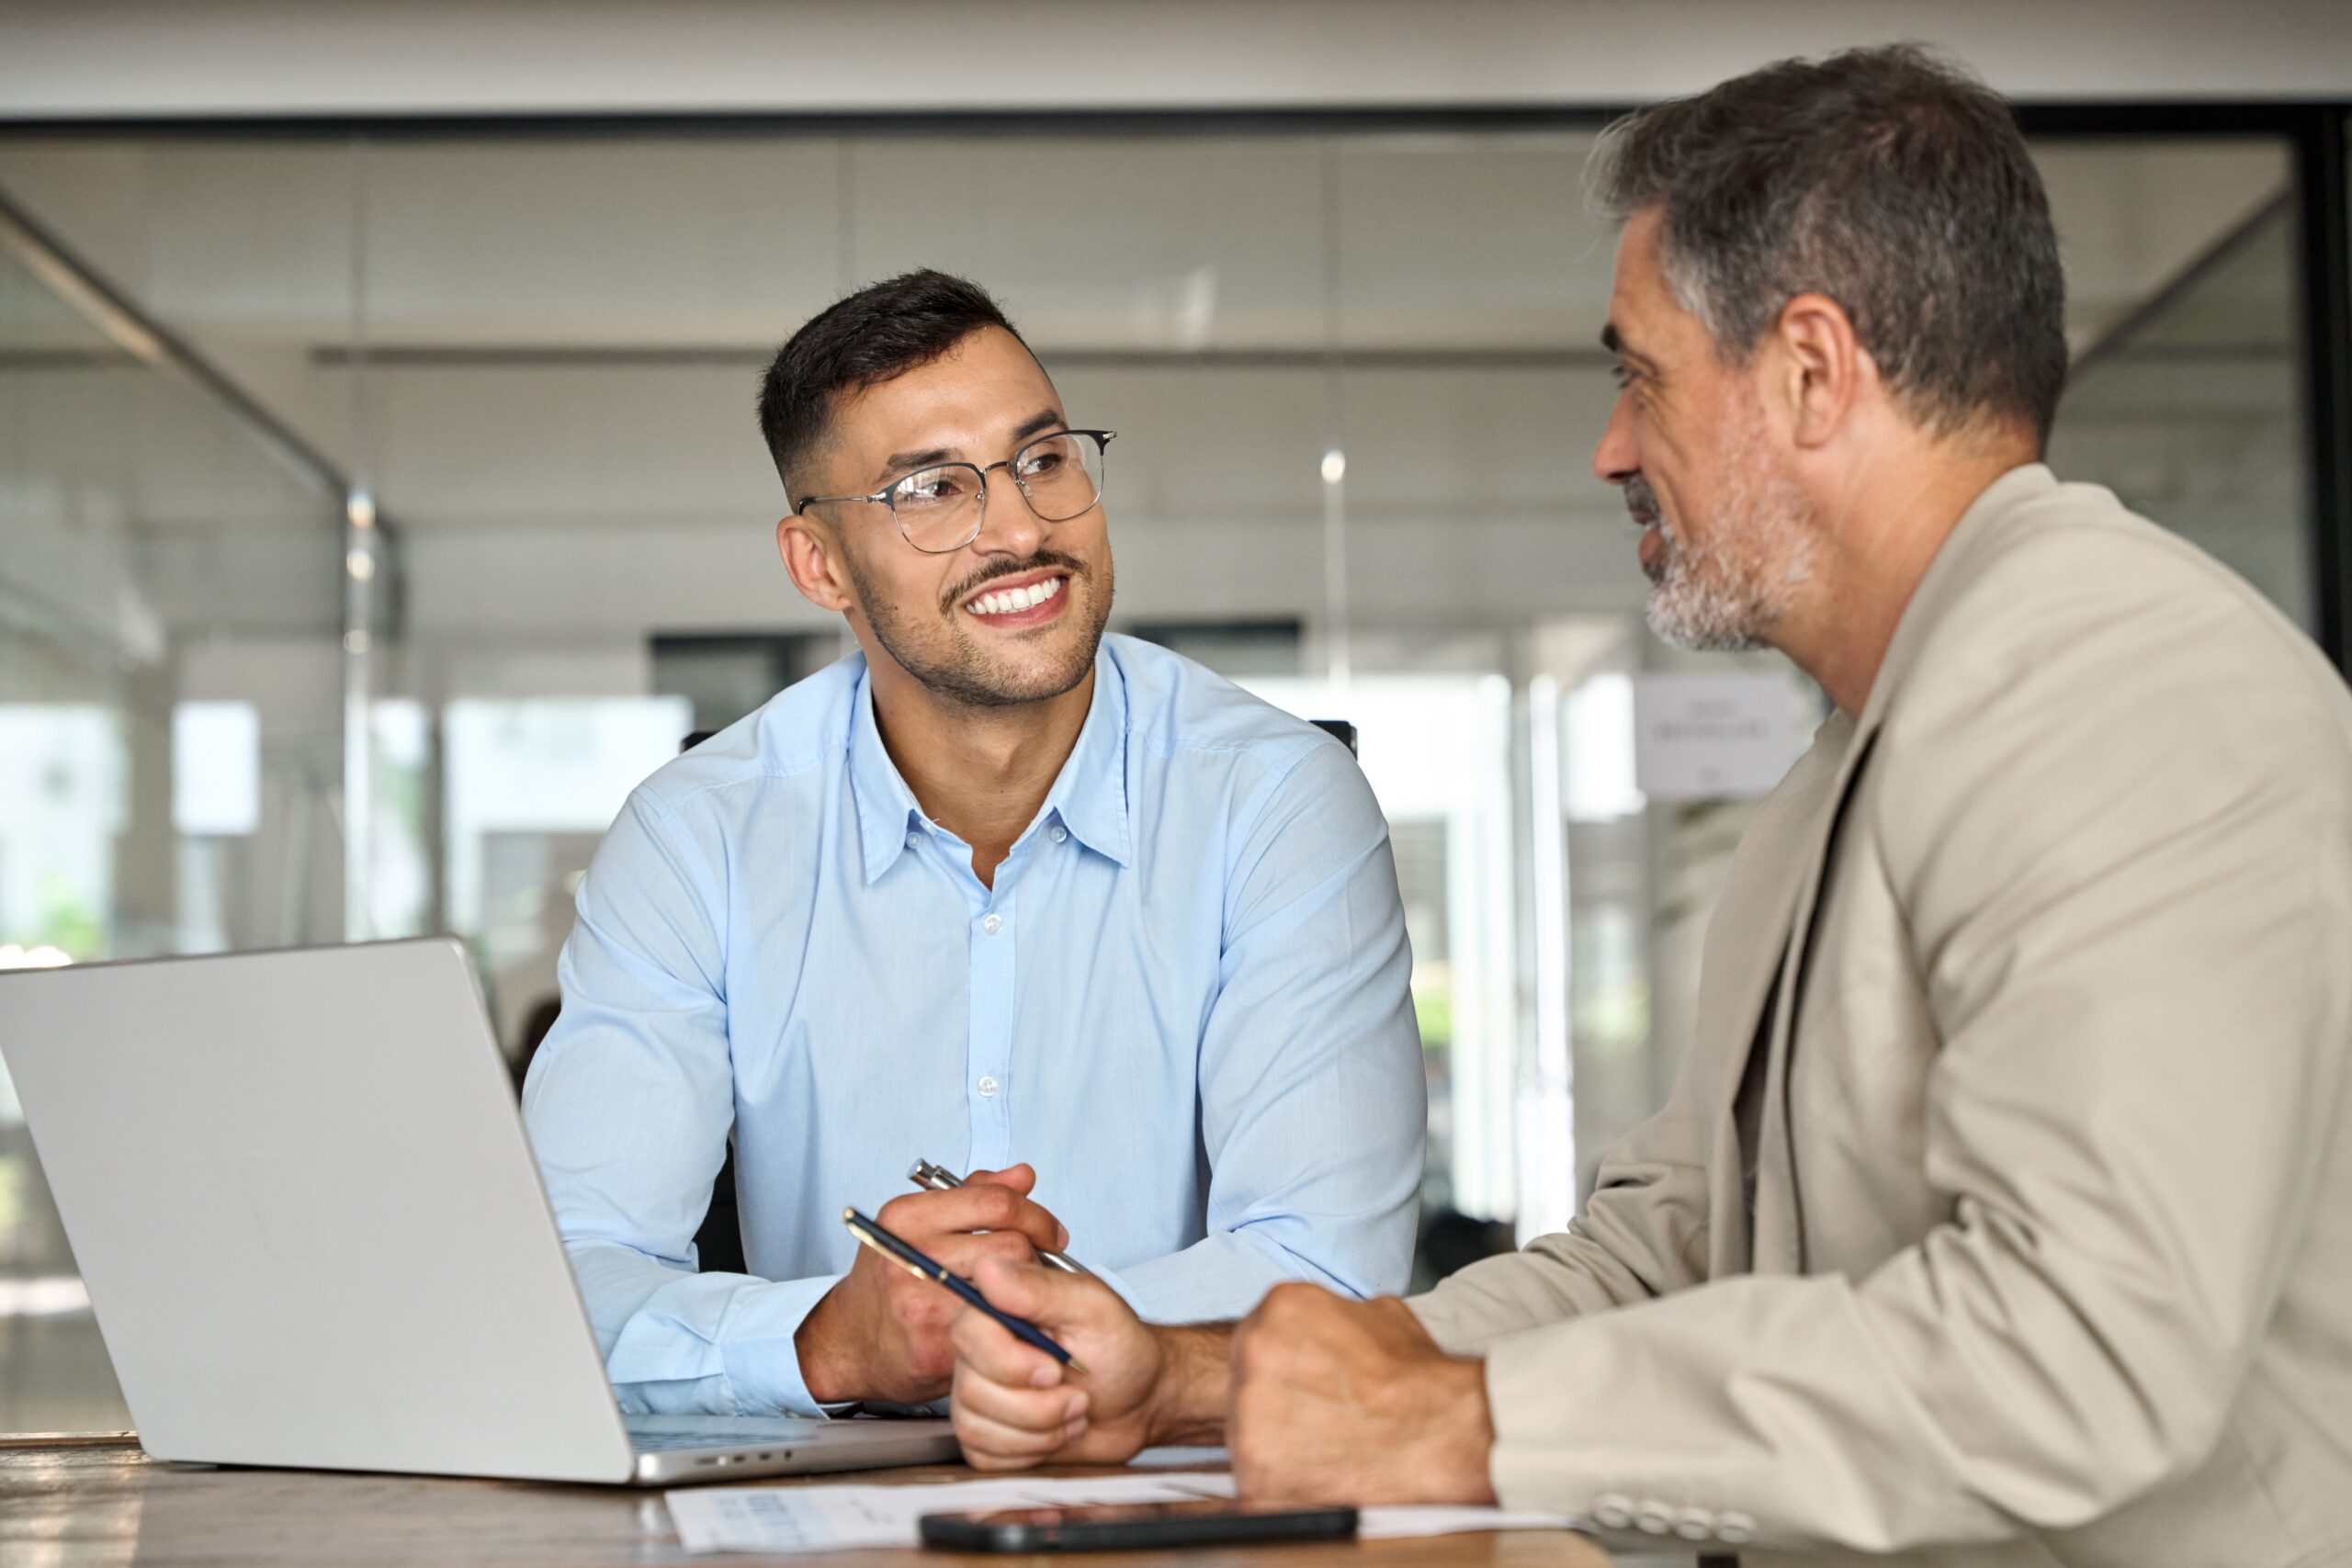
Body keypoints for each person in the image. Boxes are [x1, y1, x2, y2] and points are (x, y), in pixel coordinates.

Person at [944, 47, 2352, 1567]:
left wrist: (1463, 1425)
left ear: (1811, 370)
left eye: (1640, 374)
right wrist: (1196, 1378)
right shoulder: (1860, 760)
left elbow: (2080, 1346)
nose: (1610, 447)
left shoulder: (2120, 689)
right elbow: (1675, 1249)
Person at [522, 270, 1424, 1417]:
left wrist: (993, 1329)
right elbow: (568, 1280)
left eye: (1042, 459)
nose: (1021, 528)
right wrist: (826, 1342)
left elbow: (1329, 1269)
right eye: (932, 489)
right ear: (819, 564)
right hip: (819, 1498)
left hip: (1187, 1482)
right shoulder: (697, 836)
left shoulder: (1275, 799)